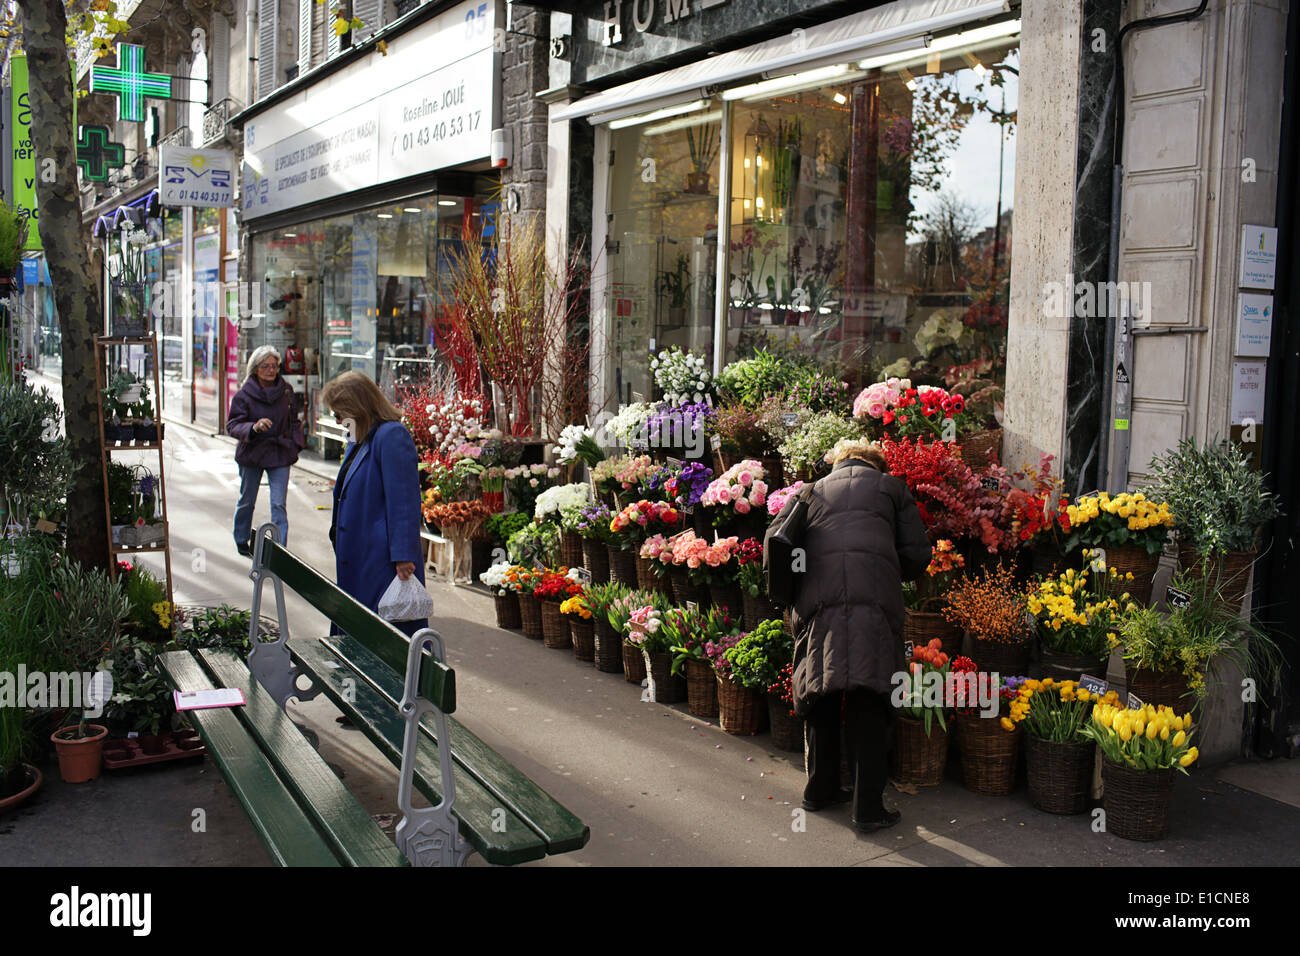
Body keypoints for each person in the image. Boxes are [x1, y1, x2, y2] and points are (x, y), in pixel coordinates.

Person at [765, 437, 930, 833]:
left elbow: (778, 543)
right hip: (873, 603)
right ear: (877, 464)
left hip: (818, 605)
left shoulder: (811, 491)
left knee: (823, 688)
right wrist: (888, 569)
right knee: (868, 695)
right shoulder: (892, 489)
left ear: (838, 463)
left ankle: (819, 790)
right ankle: (868, 808)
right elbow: (917, 553)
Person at [320, 371, 426, 636]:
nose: (337, 420)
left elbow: (404, 500)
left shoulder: (391, 435)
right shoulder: (360, 437)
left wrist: (403, 555)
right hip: (360, 555)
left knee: (383, 632)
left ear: (357, 407)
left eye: (339, 413)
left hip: (382, 561)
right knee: (359, 626)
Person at [227, 346, 303, 556]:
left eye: (274, 366)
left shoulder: (286, 391)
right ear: (255, 368)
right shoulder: (244, 395)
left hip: (280, 452)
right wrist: (253, 427)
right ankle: (242, 539)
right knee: (247, 500)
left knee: (279, 504)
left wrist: (296, 443)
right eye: (265, 366)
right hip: (252, 452)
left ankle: (279, 549)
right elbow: (232, 425)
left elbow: (294, 421)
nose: (271, 370)